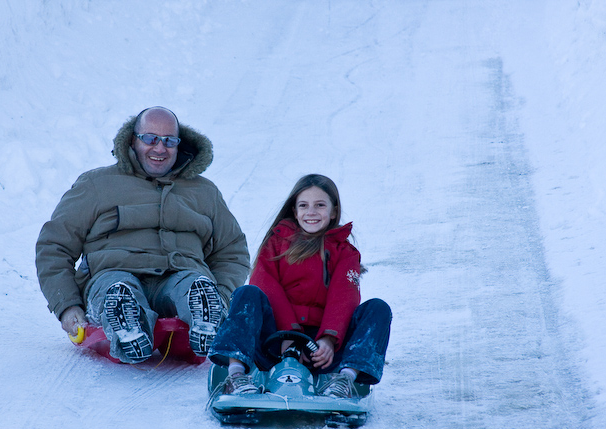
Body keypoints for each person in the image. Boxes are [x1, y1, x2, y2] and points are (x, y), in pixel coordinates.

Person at [36, 107, 250, 363]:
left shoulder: (205, 192)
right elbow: (54, 245)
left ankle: (204, 314)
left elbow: (232, 251)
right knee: (116, 287)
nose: (160, 148)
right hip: (112, 273)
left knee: (192, 285)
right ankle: (125, 318)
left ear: (179, 144)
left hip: (178, 275)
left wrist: (222, 296)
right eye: (150, 138)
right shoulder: (97, 184)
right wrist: (67, 305)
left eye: (169, 141)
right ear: (132, 140)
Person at [207, 173, 392, 397]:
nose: (311, 212)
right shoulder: (276, 243)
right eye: (303, 205)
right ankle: (236, 375)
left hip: (324, 350)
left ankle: (345, 380)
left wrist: (328, 340)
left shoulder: (345, 252)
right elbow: (265, 285)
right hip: (275, 342)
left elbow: (344, 297)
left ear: (333, 211)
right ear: (295, 211)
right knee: (247, 294)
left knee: (378, 309)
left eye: (320, 205)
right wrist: (288, 336)